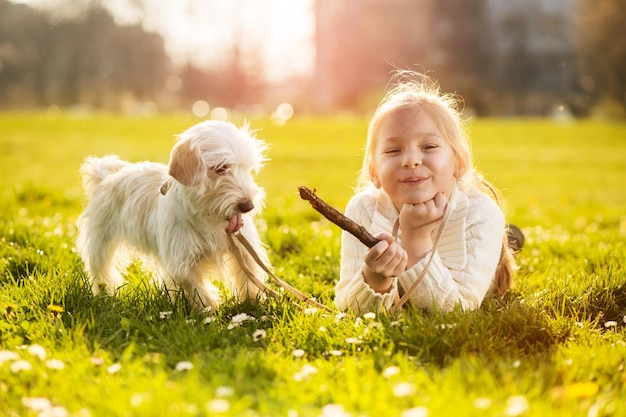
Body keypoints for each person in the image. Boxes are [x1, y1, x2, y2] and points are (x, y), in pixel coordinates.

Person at [335, 71, 519, 313]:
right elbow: (349, 310)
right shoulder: (363, 209)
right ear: (374, 172)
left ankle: (512, 242)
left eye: (429, 146)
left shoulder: (482, 214)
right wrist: (375, 280)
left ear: (459, 162)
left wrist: (417, 241)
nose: (411, 160)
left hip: (480, 238)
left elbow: (455, 313)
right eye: (392, 150)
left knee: (511, 239)